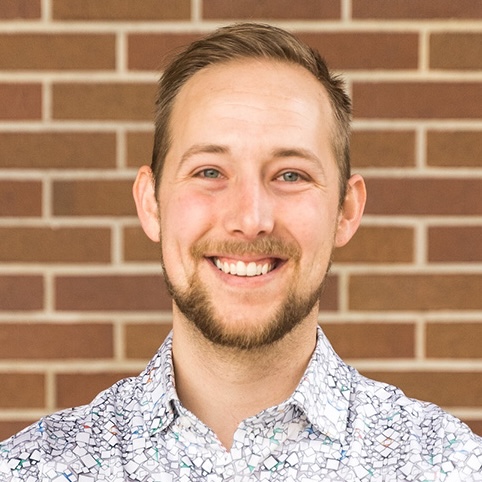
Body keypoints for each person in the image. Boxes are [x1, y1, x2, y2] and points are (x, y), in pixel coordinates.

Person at [1, 23, 481, 482]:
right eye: (210, 172)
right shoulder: (31, 469)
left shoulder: (451, 466)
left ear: (346, 210)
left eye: (290, 175)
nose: (250, 219)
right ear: (151, 204)